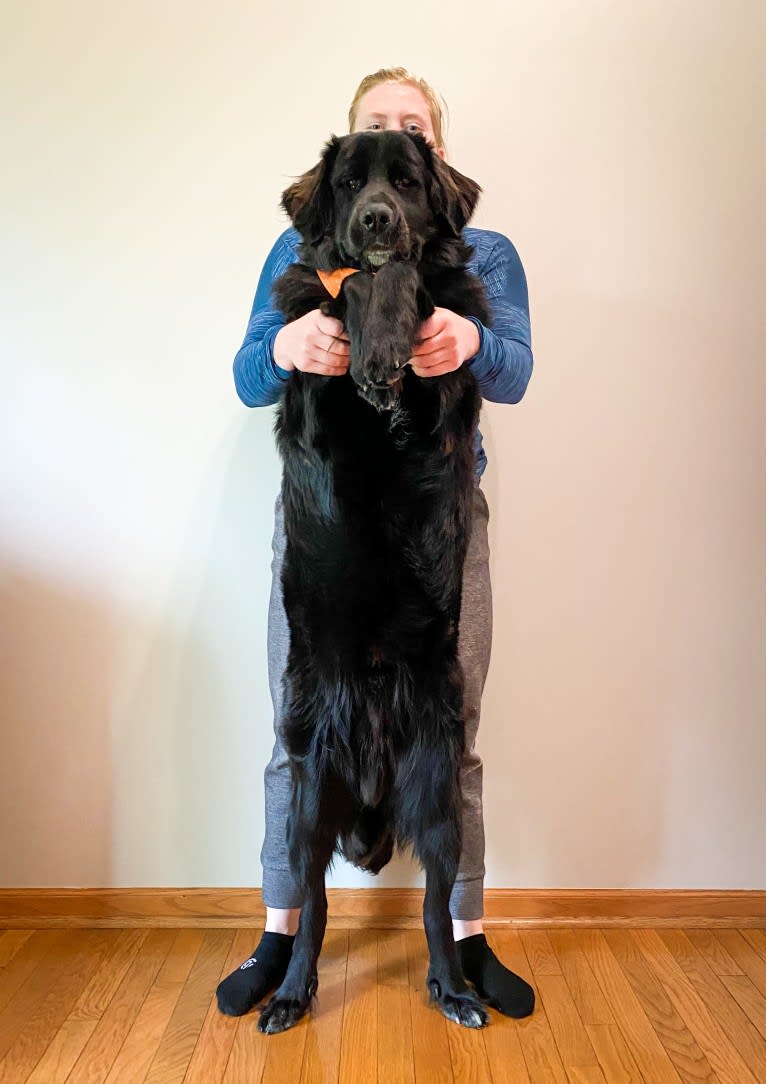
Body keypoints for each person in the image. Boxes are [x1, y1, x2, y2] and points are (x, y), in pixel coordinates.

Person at [217, 67, 535, 1020]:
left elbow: (516, 370)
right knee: (299, 736)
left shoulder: (487, 249)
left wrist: (470, 343)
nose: (380, 201)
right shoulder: (299, 246)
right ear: (340, 171)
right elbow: (245, 376)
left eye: (412, 140)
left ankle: (463, 945)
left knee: (453, 735)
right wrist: (287, 348)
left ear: (434, 160)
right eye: (369, 148)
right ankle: (282, 937)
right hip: (325, 532)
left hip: (439, 532)